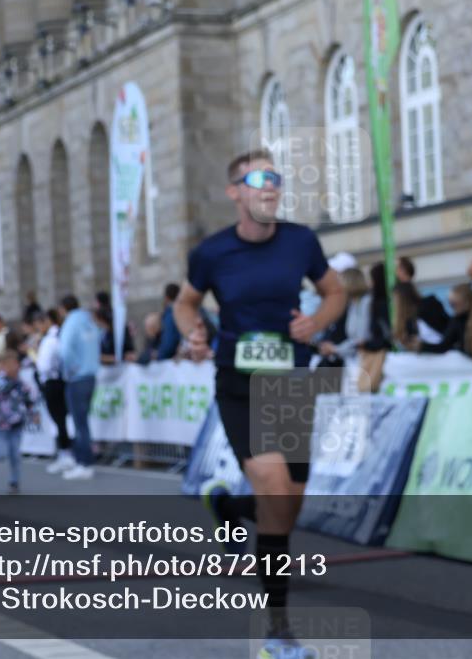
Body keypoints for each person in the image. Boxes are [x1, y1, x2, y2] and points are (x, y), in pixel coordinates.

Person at [173, 148, 345, 657]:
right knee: (273, 487)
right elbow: (185, 302)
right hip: (240, 383)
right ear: (236, 193)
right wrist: (193, 333)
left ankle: (228, 506)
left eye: (276, 179)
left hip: (289, 381)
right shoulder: (211, 253)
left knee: (288, 502)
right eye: (258, 179)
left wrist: (317, 322)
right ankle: (277, 631)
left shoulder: (301, 241)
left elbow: (334, 291)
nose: (270, 187)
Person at [58, 294, 101, 480]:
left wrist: (70, 369)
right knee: (83, 422)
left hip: (77, 378)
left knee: (79, 423)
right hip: (91, 375)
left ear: (63, 308)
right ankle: (82, 461)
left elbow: (65, 349)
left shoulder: (71, 323)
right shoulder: (88, 321)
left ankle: (84, 463)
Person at [0, 349, 38, 493]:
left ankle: (14, 481)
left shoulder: (22, 384)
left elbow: (29, 401)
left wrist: (33, 414)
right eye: (8, 365)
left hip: (16, 423)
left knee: (15, 453)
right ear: (3, 366)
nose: (12, 368)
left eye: (15, 364)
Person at [35, 309, 72, 474]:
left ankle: (66, 453)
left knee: (59, 419)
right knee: (60, 419)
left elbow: (44, 365)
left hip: (52, 381)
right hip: (58, 381)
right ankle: (64, 453)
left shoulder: (50, 340)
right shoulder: (57, 337)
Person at [318, 267, 371, 363]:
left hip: (365, 360)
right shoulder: (353, 304)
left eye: (340, 282)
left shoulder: (366, 302)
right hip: (355, 359)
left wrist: (335, 349)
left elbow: (362, 338)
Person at [437, 283, 472, 360]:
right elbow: (444, 345)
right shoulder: (456, 320)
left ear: (467, 302)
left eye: (454, 304)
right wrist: (422, 346)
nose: (452, 308)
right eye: (450, 304)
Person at [156, 283, 183, 360]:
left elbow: (169, 341)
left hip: (172, 361)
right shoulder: (183, 311)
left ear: (166, 297)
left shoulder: (171, 313)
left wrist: (159, 356)